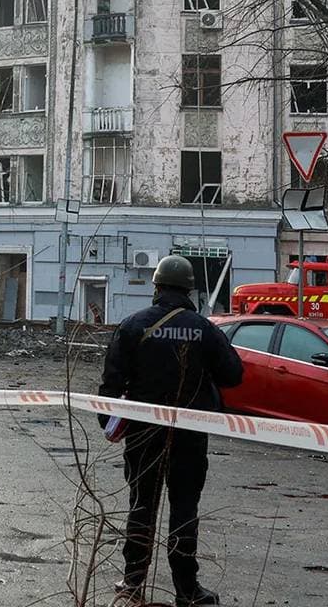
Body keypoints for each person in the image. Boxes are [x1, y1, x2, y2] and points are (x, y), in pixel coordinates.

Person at [99, 254, 244, 607]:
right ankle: (187, 590)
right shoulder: (204, 328)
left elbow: (110, 386)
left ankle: (133, 583)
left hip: (143, 434)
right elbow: (234, 375)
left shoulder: (134, 325)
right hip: (189, 435)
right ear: (189, 288)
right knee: (184, 510)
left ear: (156, 286)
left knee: (141, 506)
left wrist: (112, 425)